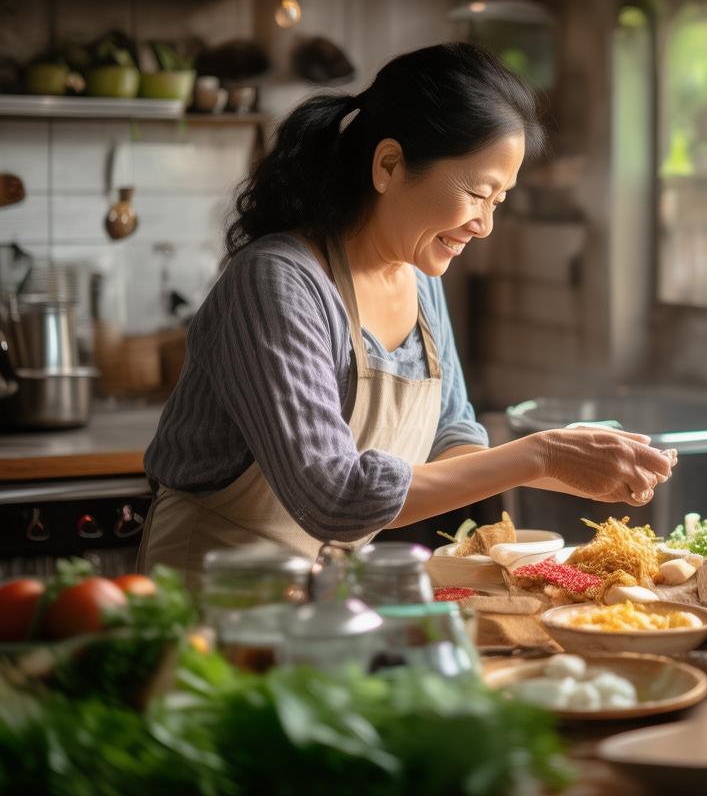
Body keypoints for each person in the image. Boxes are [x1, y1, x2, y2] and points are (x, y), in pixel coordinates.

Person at [138, 42, 675, 586]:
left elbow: (453, 434)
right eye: (475, 193)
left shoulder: (418, 276)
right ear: (389, 164)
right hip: (207, 596)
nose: (484, 225)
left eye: (499, 201)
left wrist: (573, 463)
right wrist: (539, 456)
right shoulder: (277, 283)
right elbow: (335, 497)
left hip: (323, 595)